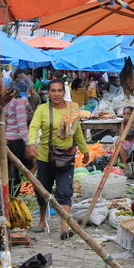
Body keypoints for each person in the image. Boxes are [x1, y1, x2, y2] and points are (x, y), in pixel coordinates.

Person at [26, 79, 89, 239]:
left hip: (66, 157)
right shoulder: (42, 110)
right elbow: (33, 127)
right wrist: (31, 143)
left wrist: (84, 150)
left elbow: (78, 132)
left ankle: (64, 226)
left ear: (64, 92)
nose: (56, 94)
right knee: (42, 190)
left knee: (64, 191)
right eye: (52, 91)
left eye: (59, 90)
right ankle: (41, 220)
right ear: (48, 93)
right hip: (45, 156)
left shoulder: (72, 110)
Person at [6, 69, 34, 197]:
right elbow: (22, 123)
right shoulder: (20, 99)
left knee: (9, 171)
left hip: (6, 139)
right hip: (16, 140)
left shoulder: (7, 96)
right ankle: (15, 196)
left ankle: (10, 196)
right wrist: (27, 143)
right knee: (28, 165)